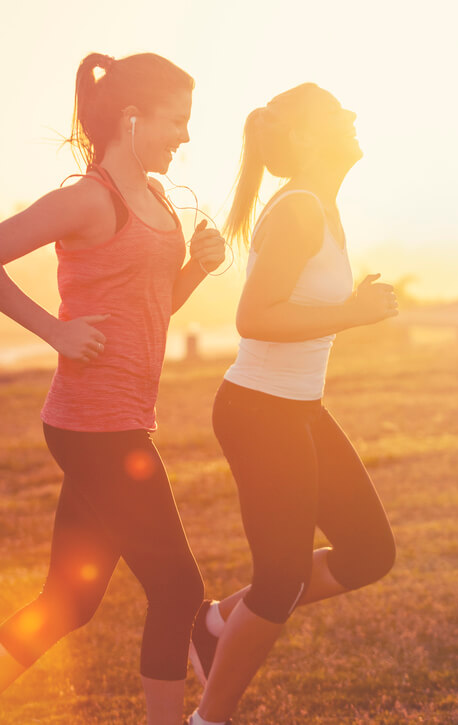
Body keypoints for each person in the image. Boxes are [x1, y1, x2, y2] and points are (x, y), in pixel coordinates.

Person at [0, 52, 225, 725]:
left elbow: (151, 310)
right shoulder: (88, 198)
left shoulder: (156, 197)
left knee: (70, 601)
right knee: (180, 586)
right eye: (177, 121)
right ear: (133, 118)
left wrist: (196, 270)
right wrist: (54, 331)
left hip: (122, 417)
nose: (185, 136)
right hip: (93, 424)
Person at [186, 83, 398, 725]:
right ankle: (207, 718)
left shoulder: (322, 207)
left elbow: (294, 302)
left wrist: (347, 303)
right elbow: (254, 318)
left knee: (369, 553)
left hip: (297, 406)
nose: (354, 115)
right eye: (338, 112)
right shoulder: (300, 209)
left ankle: (218, 621)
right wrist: (351, 313)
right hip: (260, 410)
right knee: (280, 583)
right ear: (307, 136)